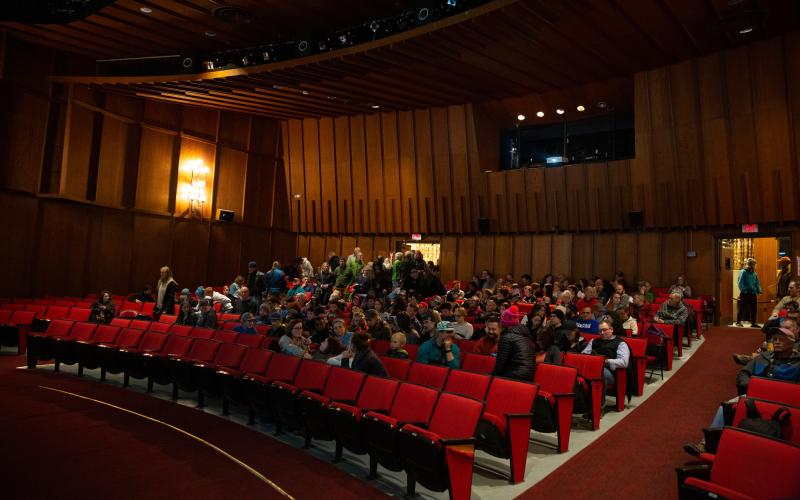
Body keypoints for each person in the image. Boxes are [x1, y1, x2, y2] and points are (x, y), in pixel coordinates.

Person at [684, 326, 800, 457]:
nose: (777, 341)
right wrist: (753, 386)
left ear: (792, 341)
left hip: (784, 402)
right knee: (725, 407)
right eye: (775, 339)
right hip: (754, 396)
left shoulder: (797, 363)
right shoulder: (763, 357)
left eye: (781, 339)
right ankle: (706, 444)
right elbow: (743, 373)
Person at [582, 320, 630, 386]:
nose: (602, 333)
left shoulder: (620, 343)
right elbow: (583, 355)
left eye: (604, 330)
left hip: (610, 372)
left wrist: (605, 361)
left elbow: (624, 362)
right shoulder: (593, 341)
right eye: (599, 331)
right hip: (592, 367)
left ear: (611, 329)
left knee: (595, 369)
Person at [736, 258, 762, 328]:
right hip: (745, 293)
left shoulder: (754, 273)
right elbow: (740, 282)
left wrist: (759, 289)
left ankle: (753, 322)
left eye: (754, 264)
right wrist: (744, 290)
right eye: (753, 264)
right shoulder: (743, 272)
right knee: (742, 307)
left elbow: (757, 283)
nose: (754, 266)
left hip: (753, 293)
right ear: (750, 265)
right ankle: (738, 321)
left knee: (754, 308)